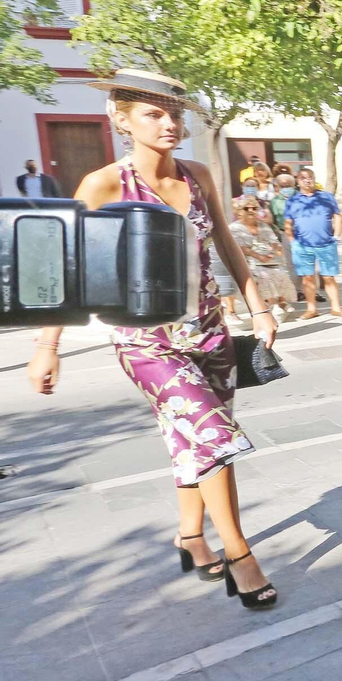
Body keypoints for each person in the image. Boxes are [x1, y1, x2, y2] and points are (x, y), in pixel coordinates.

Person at [26, 68, 278, 609]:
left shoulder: (199, 175)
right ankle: (240, 554)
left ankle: (191, 537)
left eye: (174, 113)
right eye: (153, 113)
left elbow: (229, 250)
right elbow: (66, 265)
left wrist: (258, 309)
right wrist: (48, 347)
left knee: (190, 441)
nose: (169, 123)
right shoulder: (104, 184)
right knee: (213, 437)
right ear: (121, 119)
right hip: (146, 342)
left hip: (210, 331)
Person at [283, 166, 342, 321]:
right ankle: (311, 309)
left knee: (329, 277)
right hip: (302, 244)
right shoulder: (293, 200)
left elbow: (337, 216)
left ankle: (336, 308)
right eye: (303, 177)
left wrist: (337, 235)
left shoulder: (326, 197)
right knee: (307, 278)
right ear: (298, 182)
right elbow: (288, 222)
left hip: (326, 243)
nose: (307, 180)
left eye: (310, 177)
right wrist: (292, 241)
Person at [230, 194, 294, 320]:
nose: (251, 211)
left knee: (280, 273)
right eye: (246, 208)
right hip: (246, 260)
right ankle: (272, 304)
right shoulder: (234, 227)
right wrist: (259, 256)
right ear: (239, 211)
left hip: (266, 258)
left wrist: (275, 250)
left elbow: (273, 240)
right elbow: (240, 248)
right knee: (264, 275)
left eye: (254, 208)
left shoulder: (263, 225)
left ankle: (282, 301)